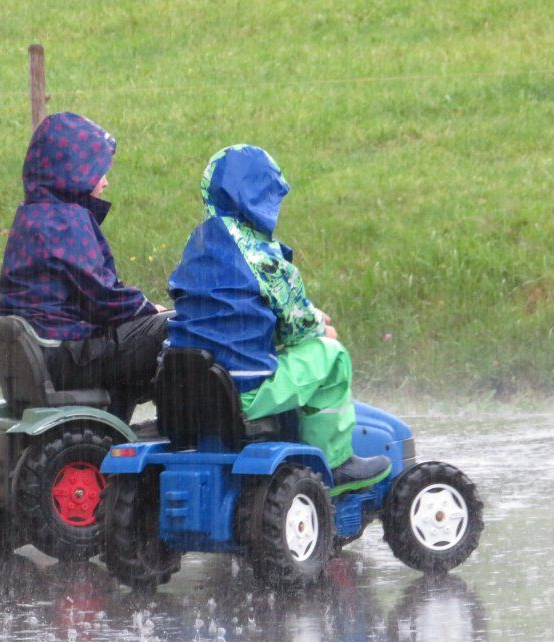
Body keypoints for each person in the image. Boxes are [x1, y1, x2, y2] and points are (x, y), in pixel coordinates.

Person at [167, 144, 390, 493]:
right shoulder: (261, 255)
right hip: (242, 389)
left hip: (187, 383)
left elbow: (226, 310)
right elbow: (298, 325)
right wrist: (322, 328)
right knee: (331, 357)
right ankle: (335, 463)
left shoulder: (197, 243)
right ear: (259, 199)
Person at [0, 112, 171, 421]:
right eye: (98, 172)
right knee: (175, 329)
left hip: (43, 351)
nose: (105, 182)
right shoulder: (65, 222)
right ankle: (180, 427)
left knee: (129, 337)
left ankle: (115, 423)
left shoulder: (32, 214)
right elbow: (101, 296)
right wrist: (146, 309)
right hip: (65, 356)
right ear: (74, 173)